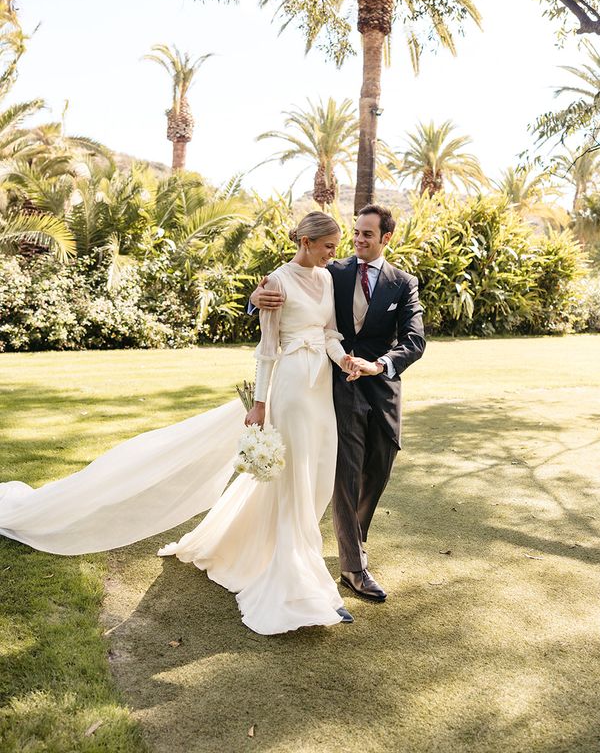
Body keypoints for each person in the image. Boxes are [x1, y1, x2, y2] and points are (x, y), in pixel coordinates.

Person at [0, 211, 375, 636]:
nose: (335, 252)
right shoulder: (275, 282)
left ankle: (270, 557)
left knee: (315, 478)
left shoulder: (326, 279)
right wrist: (259, 404)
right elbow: (266, 349)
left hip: (319, 390)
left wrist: (343, 358)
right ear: (306, 241)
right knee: (292, 482)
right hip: (289, 387)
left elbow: (328, 333)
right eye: (329, 245)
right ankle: (302, 583)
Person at [250, 204, 426, 602]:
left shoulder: (403, 283)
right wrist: (255, 298)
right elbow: (285, 290)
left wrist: (378, 365)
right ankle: (353, 566)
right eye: (356, 232)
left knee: (377, 469)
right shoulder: (334, 271)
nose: (358, 241)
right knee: (342, 475)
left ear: (386, 238)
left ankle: (355, 544)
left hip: (382, 390)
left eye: (367, 234)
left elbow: (414, 342)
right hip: (333, 389)